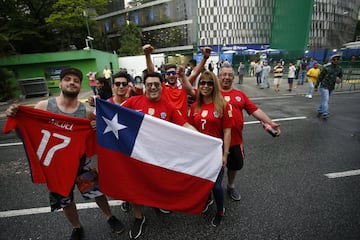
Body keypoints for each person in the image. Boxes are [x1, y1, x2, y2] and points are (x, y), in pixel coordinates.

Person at [5, 67, 125, 240]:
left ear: (79, 86)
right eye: (67, 79)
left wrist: (97, 128)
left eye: (76, 80)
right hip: (56, 167)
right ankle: (77, 227)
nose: (72, 82)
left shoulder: (86, 112)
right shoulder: (44, 106)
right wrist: (17, 118)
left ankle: (110, 216)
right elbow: (26, 134)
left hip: (81, 164)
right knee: (65, 201)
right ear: (60, 83)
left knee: (96, 192)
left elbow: (99, 137)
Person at [121, 72, 197, 239]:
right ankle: (139, 217)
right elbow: (114, 112)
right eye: (150, 84)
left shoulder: (168, 106)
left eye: (156, 84)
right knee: (135, 185)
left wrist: (202, 138)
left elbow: (183, 123)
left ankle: (157, 202)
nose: (153, 87)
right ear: (145, 86)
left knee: (157, 181)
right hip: (137, 154)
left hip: (158, 156)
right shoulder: (134, 101)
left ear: (161, 86)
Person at [219, 63, 281, 203]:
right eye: (224, 75)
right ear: (219, 77)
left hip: (235, 141)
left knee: (234, 166)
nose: (226, 77)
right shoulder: (211, 94)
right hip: (216, 142)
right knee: (215, 169)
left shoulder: (240, 95)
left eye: (229, 75)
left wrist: (270, 123)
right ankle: (213, 189)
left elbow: (255, 111)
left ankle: (230, 186)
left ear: (233, 78)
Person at [188, 70, 233, 227]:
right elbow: (189, 128)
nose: (205, 86)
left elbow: (227, 131)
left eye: (209, 83)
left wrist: (225, 154)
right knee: (202, 181)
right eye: (202, 82)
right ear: (199, 85)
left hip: (216, 152)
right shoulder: (194, 106)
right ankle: (207, 200)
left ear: (214, 85)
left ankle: (220, 210)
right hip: (200, 153)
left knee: (216, 185)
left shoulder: (222, 105)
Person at [143, 44, 211, 119]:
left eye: (173, 73)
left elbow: (195, 73)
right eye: (168, 74)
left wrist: (205, 58)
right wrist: (147, 55)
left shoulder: (184, 85)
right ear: (165, 76)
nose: (171, 75)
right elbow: (152, 72)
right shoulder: (162, 87)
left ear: (177, 74)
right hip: (167, 123)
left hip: (182, 125)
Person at [314, 53, 343, 118]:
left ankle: (320, 110)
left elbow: (340, 76)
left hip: (331, 86)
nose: (336, 61)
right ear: (331, 60)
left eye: (337, 59)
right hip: (324, 86)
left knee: (325, 100)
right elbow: (320, 77)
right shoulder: (326, 68)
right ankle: (325, 112)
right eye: (334, 59)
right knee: (326, 99)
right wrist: (316, 86)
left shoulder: (339, 68)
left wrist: (339, 80)